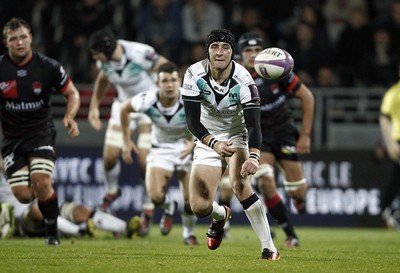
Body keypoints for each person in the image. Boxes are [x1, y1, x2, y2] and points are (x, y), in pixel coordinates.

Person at [181, 29, 279, 260]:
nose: (220, 52)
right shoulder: (193, 74)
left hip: (237, 134)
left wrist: (254, 157)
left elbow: (254, 125)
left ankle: (269, 248)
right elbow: (192, 121)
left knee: (241, 185)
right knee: (199, 207)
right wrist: (213, 143)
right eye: (214, 46)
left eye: (225, 47)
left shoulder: (245, 80)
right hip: (207, 136)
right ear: (208, 51)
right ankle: (220, 215)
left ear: (233, 52)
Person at [218, 32, 315, 247]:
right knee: (267, 182)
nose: (253, 55)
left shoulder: (276, 70)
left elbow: (307, 97)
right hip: (260, 137)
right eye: (248, 51)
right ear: (240, 56)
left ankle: (299, 199)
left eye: (256, 50)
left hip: (285, 132)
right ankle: (291, 234)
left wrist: (305, 135)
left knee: (297, 191)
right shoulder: (234, 77)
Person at [0, 18, 80, 245]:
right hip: (11, 140)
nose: (19, 42)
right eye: (13, 39)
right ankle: (44, 200)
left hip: (41, 133)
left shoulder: (48, 66)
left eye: (23, 37)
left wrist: (69, 115)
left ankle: (52, 234)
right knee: (24, 196)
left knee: (42, 181)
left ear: (31, 38)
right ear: (6, 43)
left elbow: (72, 93)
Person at [87, 29, 169, 236]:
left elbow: (167, 67)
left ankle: (147, 206)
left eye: (97, 53)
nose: (95, 58)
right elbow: (103, 79)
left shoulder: (140, 53)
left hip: (147, 107)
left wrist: (166, 94)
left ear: (105, 49)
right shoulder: (104, 62)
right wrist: (94, 106)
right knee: (109, 157)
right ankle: (111, 192)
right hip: (122, 106)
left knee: (144, 162)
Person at [120, 62, 198, 245]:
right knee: (155, 197)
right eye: (165, 81)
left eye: (173, 80)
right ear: (157, 83)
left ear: (180, 82)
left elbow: (209, 122)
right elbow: (124, 109)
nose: (170, 85)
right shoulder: (147, 99)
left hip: (186, 147)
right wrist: (126, 140)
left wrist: (195, 144)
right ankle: (169, 206)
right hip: (160, 149)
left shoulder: (190, 99)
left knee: (190, 201)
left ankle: (188, 233)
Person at [379, 64, 400, 229]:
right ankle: (389, 210)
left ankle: (389, 210)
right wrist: (390, 143)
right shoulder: (394, 92)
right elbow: (384, 117)